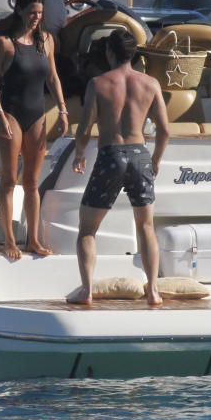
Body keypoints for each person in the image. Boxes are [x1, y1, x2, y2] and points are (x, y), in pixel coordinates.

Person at [69, 29, 170, 307]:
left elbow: (85, 128)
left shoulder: (98, 83)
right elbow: (164, 130)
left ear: (110, 53)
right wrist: (156, 159)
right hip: (139, 156)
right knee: (146, 227)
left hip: (111, 155)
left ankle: (87, 290)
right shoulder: (150, 84)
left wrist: (79, 152)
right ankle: (153, 291)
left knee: (87, 230)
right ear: (134, 53)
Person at [0, 0, 69, 260]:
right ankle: (9, 240)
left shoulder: (46, 41)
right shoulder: (4, 44)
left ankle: (33, 239)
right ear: (20, 11)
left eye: (40, 14)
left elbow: (54, 79)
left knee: (32, 182)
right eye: (32, 12)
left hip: (37, 115)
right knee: (10, 180)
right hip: (9, 114)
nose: (37, 18)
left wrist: (63, 110)